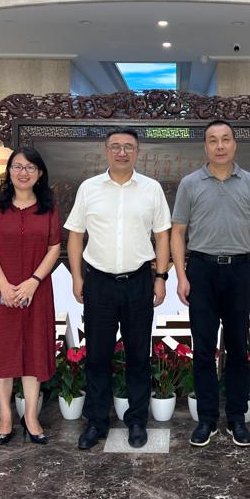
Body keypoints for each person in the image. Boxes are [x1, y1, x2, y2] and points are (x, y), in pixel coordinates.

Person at [65, 127, 171, 450]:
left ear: (137, 151)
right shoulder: (89, 188)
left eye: (128, 147)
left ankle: (137, 420)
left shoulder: (151, 189)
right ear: (106, 150)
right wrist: (77, 277)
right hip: (98, 282)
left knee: (138, 355)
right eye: (115, 146)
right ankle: (96, 421)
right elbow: (75, 235)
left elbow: (162, 235)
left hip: (139, 281)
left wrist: (161, 277)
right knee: (97, 355)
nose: (122, 152)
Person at [171, 120, 250, 448]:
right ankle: (207, 419)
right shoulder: (190, 183)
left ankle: (237, 418)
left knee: (238, 348)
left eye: (226, 139)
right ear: (206, 146)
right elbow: (178, 232)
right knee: (203, 349)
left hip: (240, 271)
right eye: (213, 140)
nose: (220, 146)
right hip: (202, 270)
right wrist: (181, 275)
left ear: (234, 144)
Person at [0, 148, 62, 444]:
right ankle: (6, 415)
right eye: (17, 166)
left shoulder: (48, 208)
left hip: (37, 290)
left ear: (40, 173)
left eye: (30, 167)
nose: (24, 173)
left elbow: (54, 248)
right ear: (9, 171)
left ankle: (31, 416)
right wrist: (4, 286)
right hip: (1, 291)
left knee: (34, 350)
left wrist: (33, 282)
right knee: (4, 350)